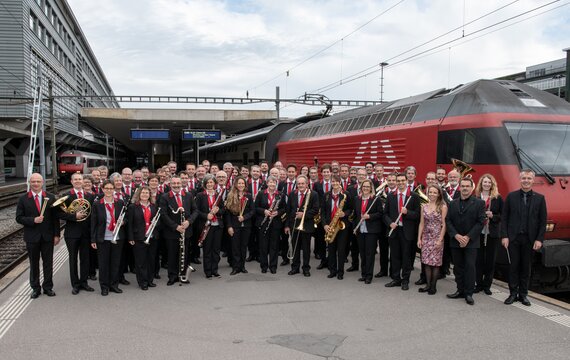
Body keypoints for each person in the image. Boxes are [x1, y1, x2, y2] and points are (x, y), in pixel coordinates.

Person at [501, 169, 547, 307]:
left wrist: (539, 239)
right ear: (520, 180)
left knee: (526, 268)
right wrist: (504, 236)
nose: (526, 181)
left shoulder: (540, 198)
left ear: (533, 180)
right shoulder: (511, 196)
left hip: (530, 239)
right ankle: (512, 294)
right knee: (513, 267)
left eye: (529, 178)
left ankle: (523, 295)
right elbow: (504, 218)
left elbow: (542, 221)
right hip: (513, 239)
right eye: (524, 178)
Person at [16, 173, 61, 299]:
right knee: (34, 263)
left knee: (48, 263)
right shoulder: (23, 199)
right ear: (30, 183)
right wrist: (33, 220)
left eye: (38, 181)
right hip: (32, 237)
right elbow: (19, 218)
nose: (36, 184)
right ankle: (35, 288)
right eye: (33, 181)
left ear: (42, 183)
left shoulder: (50, 197)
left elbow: (55, 218)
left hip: (47, 237)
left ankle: (48, 287)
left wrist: (56, 235)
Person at [446, 177, 486, 305]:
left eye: (467, 186)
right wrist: (456, 235)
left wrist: (468, 237)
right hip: (456, 240)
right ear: (460, 187)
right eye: (462, 186)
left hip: (471, 242)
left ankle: (469, 293)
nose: (464, 188)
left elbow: (480, 222)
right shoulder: (452, 203)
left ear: (471, 187)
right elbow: (448, 221)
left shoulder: (479, 203)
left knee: (470, 267)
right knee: (458, 267)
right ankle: (460, 290)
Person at [159, 175, 198, 286]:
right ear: (170, 184)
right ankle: (172, 276)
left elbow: (195, 211)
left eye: (178, 183)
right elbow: (163, 214)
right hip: (171, 232)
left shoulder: (189, 195)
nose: (176, 185)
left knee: (184, 254)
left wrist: (188, 222)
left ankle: (183, 275)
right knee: (172, 255)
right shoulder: (165, 197)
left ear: (181, 184)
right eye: (174, 183)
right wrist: (176, 226)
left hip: (186, 230)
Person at [384, 173, 420, 290]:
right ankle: (396, 279)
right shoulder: (390, 196)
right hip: (394, 230)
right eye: (398, 181)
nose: (400, 183)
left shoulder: (413, 196)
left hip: (407, 232)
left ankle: (405, 280)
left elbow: (418, 215)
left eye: (402, 180)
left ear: (406, 181)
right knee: (394, 256)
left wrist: (407, 212)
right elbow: (385, 214)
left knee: (406, 257)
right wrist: (390, 223)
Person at [59, 173, 94, 295]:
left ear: (83, 181)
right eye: (76, 179)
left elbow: (92, 215)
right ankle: (75, 284)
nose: (78, 181)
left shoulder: (90, 196)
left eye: (80, 179)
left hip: (86, 233)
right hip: (72, 233)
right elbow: (60, 214)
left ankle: (84, 282)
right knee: (73, 259)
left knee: (85, 259)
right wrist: (74, 216)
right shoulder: (66, 196)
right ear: (72, 181)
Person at [91, 180, 126, 296]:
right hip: (103, 238)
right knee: (103, 264)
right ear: (103, 189)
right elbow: (94, 223)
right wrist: (93, 239)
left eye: (111, 188)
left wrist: (122, 222)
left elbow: (125, 218)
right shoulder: (97, 204)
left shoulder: (120, 202)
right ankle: (104, 286)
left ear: (114, 190)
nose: (109, 190)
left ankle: (114, 285)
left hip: (117, 237)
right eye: (107, 188)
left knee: (115, 263)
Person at [285, 175, 319, 277]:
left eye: (302, 183)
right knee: (295, 247)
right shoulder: (292, 194)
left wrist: (303, 215)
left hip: (307, 225)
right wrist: (287, 225)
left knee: (306, 248)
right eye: (299, 183)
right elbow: (288, 210)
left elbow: (315, 210)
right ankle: (295, 268)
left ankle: (306, 268)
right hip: (294, 225)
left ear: (307, 184)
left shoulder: (313, 194)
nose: (300, 185)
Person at [474, 174, 503, 295]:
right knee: (478, 260)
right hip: (479, 232)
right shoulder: (475, 197)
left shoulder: (497, 198)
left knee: (490, 261)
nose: (487, 184)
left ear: (492, 185)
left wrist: (494, 216)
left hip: (492, 233)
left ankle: (487, 286)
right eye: (485, 182)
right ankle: (478, 284)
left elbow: (503, 215)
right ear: (481, 183)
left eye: (489, 183)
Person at [417, 184, 447, 295]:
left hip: (437, 237)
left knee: (435, 262)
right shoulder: (424, 206)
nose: (432, 194)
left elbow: (444, 225)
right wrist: (419, 238)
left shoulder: (442, 206)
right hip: (426, 237)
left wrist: (440, 239)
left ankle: (433, 287)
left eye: (435, 192)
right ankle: (428, 285)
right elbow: (421, 223)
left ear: (439, 194)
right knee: (426, 262)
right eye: (430, 192)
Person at [127, 186, 159, 290]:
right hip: (138, 237)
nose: (145, 194)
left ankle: (150, 280)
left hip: (152, 237)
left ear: (150, 195)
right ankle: (142, 282)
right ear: (139, 194)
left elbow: (159, 220)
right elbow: (130, 224)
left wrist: (156, 223)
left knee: (151, 260)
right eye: (143, 193)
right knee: (141, 262)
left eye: (147, 193)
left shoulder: (154, 206)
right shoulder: (133, 207)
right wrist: (131, 237)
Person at [323, 175, 353, 280]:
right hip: (330, 225)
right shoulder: (326, 195)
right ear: (331, 182)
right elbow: (322, 211)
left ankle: (340, 272)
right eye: (333, 181)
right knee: (331, 249)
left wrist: (344, 214)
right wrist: (325, 224)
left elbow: (351, 209)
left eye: (337, 182)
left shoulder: (346, 194)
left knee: (341, 250)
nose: (335, 183)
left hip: (341, 226)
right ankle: (332, 271)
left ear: (340, 182)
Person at [196, 174, 225, 279]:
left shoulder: (218, 195)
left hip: (217, 225)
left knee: (216, 249)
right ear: (205, 184)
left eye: (211, 182)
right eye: (207, 182)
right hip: (206, 226)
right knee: (207, 249)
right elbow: (196, 211)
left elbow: (223, 210)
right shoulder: (200, 195)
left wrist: (218, 211)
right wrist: (206, 215)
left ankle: (215, 270)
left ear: (214, 184)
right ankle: (208, 271)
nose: (209, 184)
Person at [255, 176, 286, 274]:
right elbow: (255, 207)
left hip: (275, 223)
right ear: (267, 183)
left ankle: (273, 266)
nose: (272, 184)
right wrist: (264, 211)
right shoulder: (261, 194)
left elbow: (284, 208)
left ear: (276, 184)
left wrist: (277, 213)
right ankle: (264, 266)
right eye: (270, 182)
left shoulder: (280, 194)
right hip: (263, 223)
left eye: (274, 182)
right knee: (263, 246)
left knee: (274, 246)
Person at [353, 179, 381, 284]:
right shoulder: (357, 199)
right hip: (360, 229)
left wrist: (369, 216)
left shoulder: (375, 199)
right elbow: (355, 215)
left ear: (371, 188)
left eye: (368, 187)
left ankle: (369, 276)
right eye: (364, 186)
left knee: (369, 254)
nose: (365, 188)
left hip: (371, 230)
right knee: (362, 253)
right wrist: (354, 227)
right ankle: (363, 274)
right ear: (361, 188)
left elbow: (380, 213)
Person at [226, 177, 255, 275]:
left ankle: (242, 266)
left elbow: (252, 211)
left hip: (246, 226)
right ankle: (235, 267)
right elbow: (228, 213)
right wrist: (229, 226)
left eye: (243, 183)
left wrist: (245, 217)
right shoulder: (230, 195)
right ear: (235, 184)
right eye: (239, 183)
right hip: (234, 225)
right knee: (235, 247)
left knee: (243, 247)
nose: (241, 185)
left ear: (245, 185)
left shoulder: (249, 196)